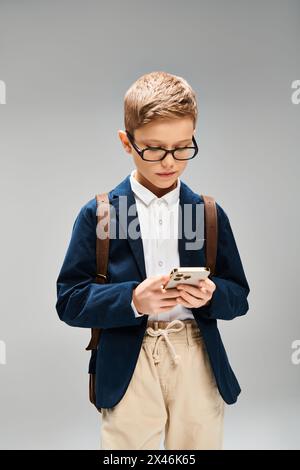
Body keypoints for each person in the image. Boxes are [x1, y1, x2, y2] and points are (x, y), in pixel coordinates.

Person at [55, 71, 250, 450]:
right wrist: (132, 299)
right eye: (154, 148)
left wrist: (211, 295)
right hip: (129, 354)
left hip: (197, 354)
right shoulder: (104, 215)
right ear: (126, 143)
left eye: (182, 147)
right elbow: (70, 301)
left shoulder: (205, 213)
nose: (169, 161)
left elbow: (239, 296)